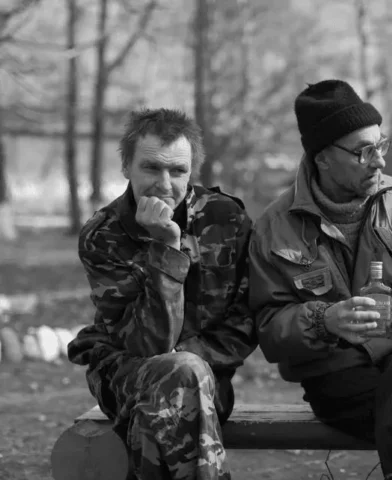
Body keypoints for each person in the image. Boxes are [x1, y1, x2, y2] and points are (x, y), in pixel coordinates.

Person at [247, 80, 392, 480]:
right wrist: (323, 320)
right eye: (363, 151)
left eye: (380, 145)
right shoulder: (274, 228)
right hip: (335, 375)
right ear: (323, 158)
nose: (379, 161)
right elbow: (268, 329)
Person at [67, 108, 257, 480]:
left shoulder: (226, 219)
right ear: (126, 167)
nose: (165, 184)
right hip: (122, 372)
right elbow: (144, 344)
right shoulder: (103, 235)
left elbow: (247, 319)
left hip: (211, 376)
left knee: (174, 389)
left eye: (178, 171)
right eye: (151, 168)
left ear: (192, 171)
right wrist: (167, 249)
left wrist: (192, 357)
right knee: (178, 378)